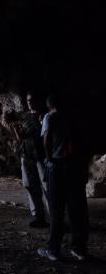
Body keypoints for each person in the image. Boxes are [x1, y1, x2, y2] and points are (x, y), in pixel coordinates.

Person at [37, 94, 89, 261]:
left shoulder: (49, 117)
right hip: (75, 167)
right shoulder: (75, 118)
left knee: (56, 209)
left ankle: (53, 250)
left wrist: (49, 157)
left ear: (49, 104)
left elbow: (46, 138)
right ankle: (79, 248)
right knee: (77, 210)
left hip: (57, 166)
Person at [11, 91, 49, 228]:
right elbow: (21, 137)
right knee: (30, 185)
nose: (29, 102)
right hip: (26, 154)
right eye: (28, 100)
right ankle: (38, 216)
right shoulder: (24, 116)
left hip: (40, 155)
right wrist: (16, 132)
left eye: (32, 99)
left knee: (46, 187)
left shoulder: (44, 116)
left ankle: (55, 217)